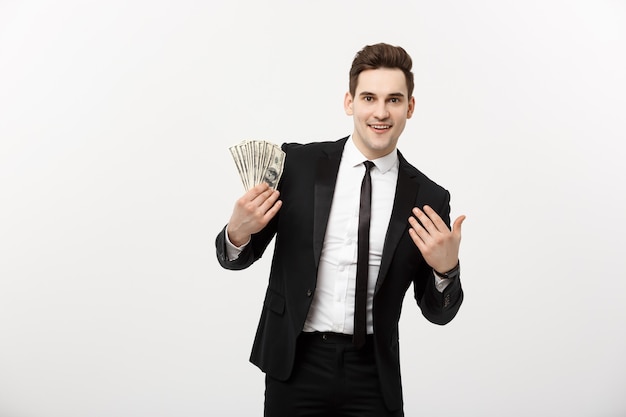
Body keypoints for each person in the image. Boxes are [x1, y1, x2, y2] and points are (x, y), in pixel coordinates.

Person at [215, 42, 466, 417]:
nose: (380, 112)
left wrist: (447, 271)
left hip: (373, 375)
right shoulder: (296, 165)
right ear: (349, 102)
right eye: (369, 97)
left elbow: (437, 312)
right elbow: (235, 260)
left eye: (394, 100)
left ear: (410, 107)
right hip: (295, 364)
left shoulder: (429, 197)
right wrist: (237, 232)